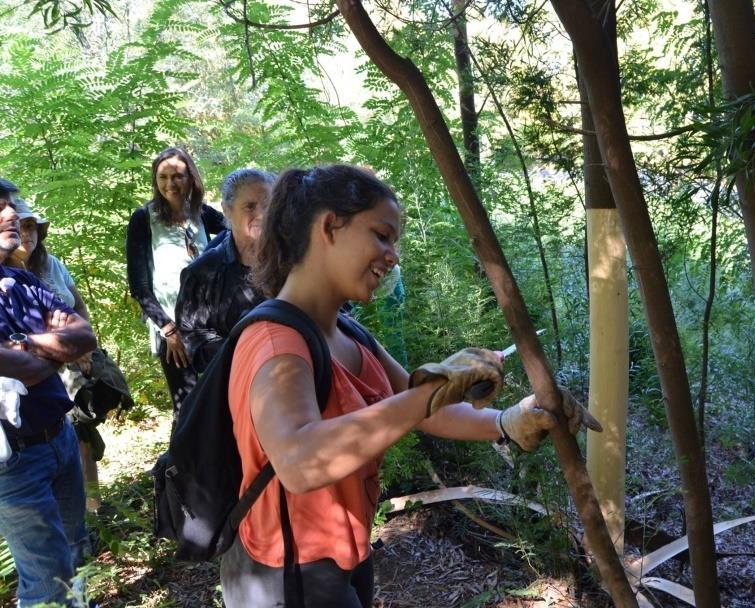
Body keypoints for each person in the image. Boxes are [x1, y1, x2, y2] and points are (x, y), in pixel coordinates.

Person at [219, 165, 599, 607]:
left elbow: (427, 411)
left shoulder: (346, 332)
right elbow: (299, 463)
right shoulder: (275, 343)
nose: (392, 255)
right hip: (286, 573)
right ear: (328, 227)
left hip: (341, 553)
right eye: (381, 235)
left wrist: (509, 420)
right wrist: (433, 389)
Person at [0, 177, 97, 606]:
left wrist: (24, 342)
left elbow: (82, 334)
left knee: (72, 551)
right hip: (15, 459)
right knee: (45, 579)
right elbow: (22, 369)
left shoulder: (18, 280)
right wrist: (54, 353)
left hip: (58, 437)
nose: (12, 215)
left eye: (11, 206)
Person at [5, 198, 101, 510]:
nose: (26, 231)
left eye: (31, 225)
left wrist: (24, 342)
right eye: (22, 226)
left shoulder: (44, 270)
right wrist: (62, 350)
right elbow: (22, 370)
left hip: (62, 403)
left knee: (84, 428)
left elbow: (81, 321)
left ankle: (94, 501)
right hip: (20, 446)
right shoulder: (19, 275)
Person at [126, 147, 224, 414]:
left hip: (211, 328)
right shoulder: (144, 219)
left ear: (190, 177)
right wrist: (168, 330)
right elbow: (139, 286)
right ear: (155, 181)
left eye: (177, 176)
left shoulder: (202, 213)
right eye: (163, 177)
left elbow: (236, 233)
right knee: (188, 409)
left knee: (223, 401)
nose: (170, 184)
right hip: (172, 332)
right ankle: (186, 456)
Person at [175, 168, 274, 374]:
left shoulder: (296, 260)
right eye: (250, 206)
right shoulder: (202, 274)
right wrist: (250, 352)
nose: (261, 214)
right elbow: (193, 339)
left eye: (267, 205)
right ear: (227, 210)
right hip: (233, 387)